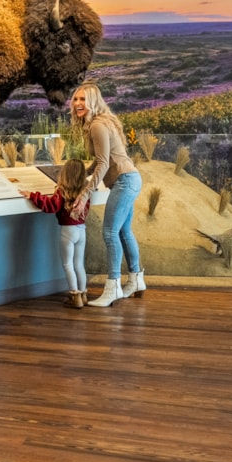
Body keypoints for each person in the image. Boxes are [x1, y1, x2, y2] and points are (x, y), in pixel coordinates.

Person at [71, 82, 145, 307]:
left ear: (94, 101)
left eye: (83, 99)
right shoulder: (104, 122)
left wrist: (84, 194)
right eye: (75, 99)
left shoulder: (96, 125)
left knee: (110, 233)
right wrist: (86, 172)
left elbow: (104, 163)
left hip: (124, 181)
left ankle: (112, 288)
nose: (78, 104)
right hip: (130, 178)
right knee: (124, 232)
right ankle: (136, 280)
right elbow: (104, 159)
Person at [22, 159, 92, 309]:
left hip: (68, 231)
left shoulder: (62, 192)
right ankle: (84, 294)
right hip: (81, 230)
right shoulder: (85, 193)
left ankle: (75, 296)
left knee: (68, 264)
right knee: (79, 264)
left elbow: (50, 206)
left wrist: (33, 196)